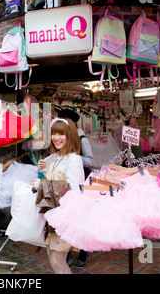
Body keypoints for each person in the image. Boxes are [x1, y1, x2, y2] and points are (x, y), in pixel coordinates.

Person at [31, 117, 84, 274]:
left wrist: (43, 185)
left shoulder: (74, 159)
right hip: (53, 214)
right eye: (54, 134)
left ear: (70, 135)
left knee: (57, 260)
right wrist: (43, 175)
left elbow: (74, 190)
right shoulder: (57, 157)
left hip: (65, 217)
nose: (56, 138)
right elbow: (55, 181)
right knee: (52, 257)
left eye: (61, 134)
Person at [57, 108, 93, 268]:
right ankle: (68, 251)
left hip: (81, 183)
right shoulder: (63, 138)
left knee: (81, 217)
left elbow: (91, 162)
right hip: (66, 183)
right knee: (67, 218)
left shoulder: (82, 139)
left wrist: (74, 158)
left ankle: (83, 252)